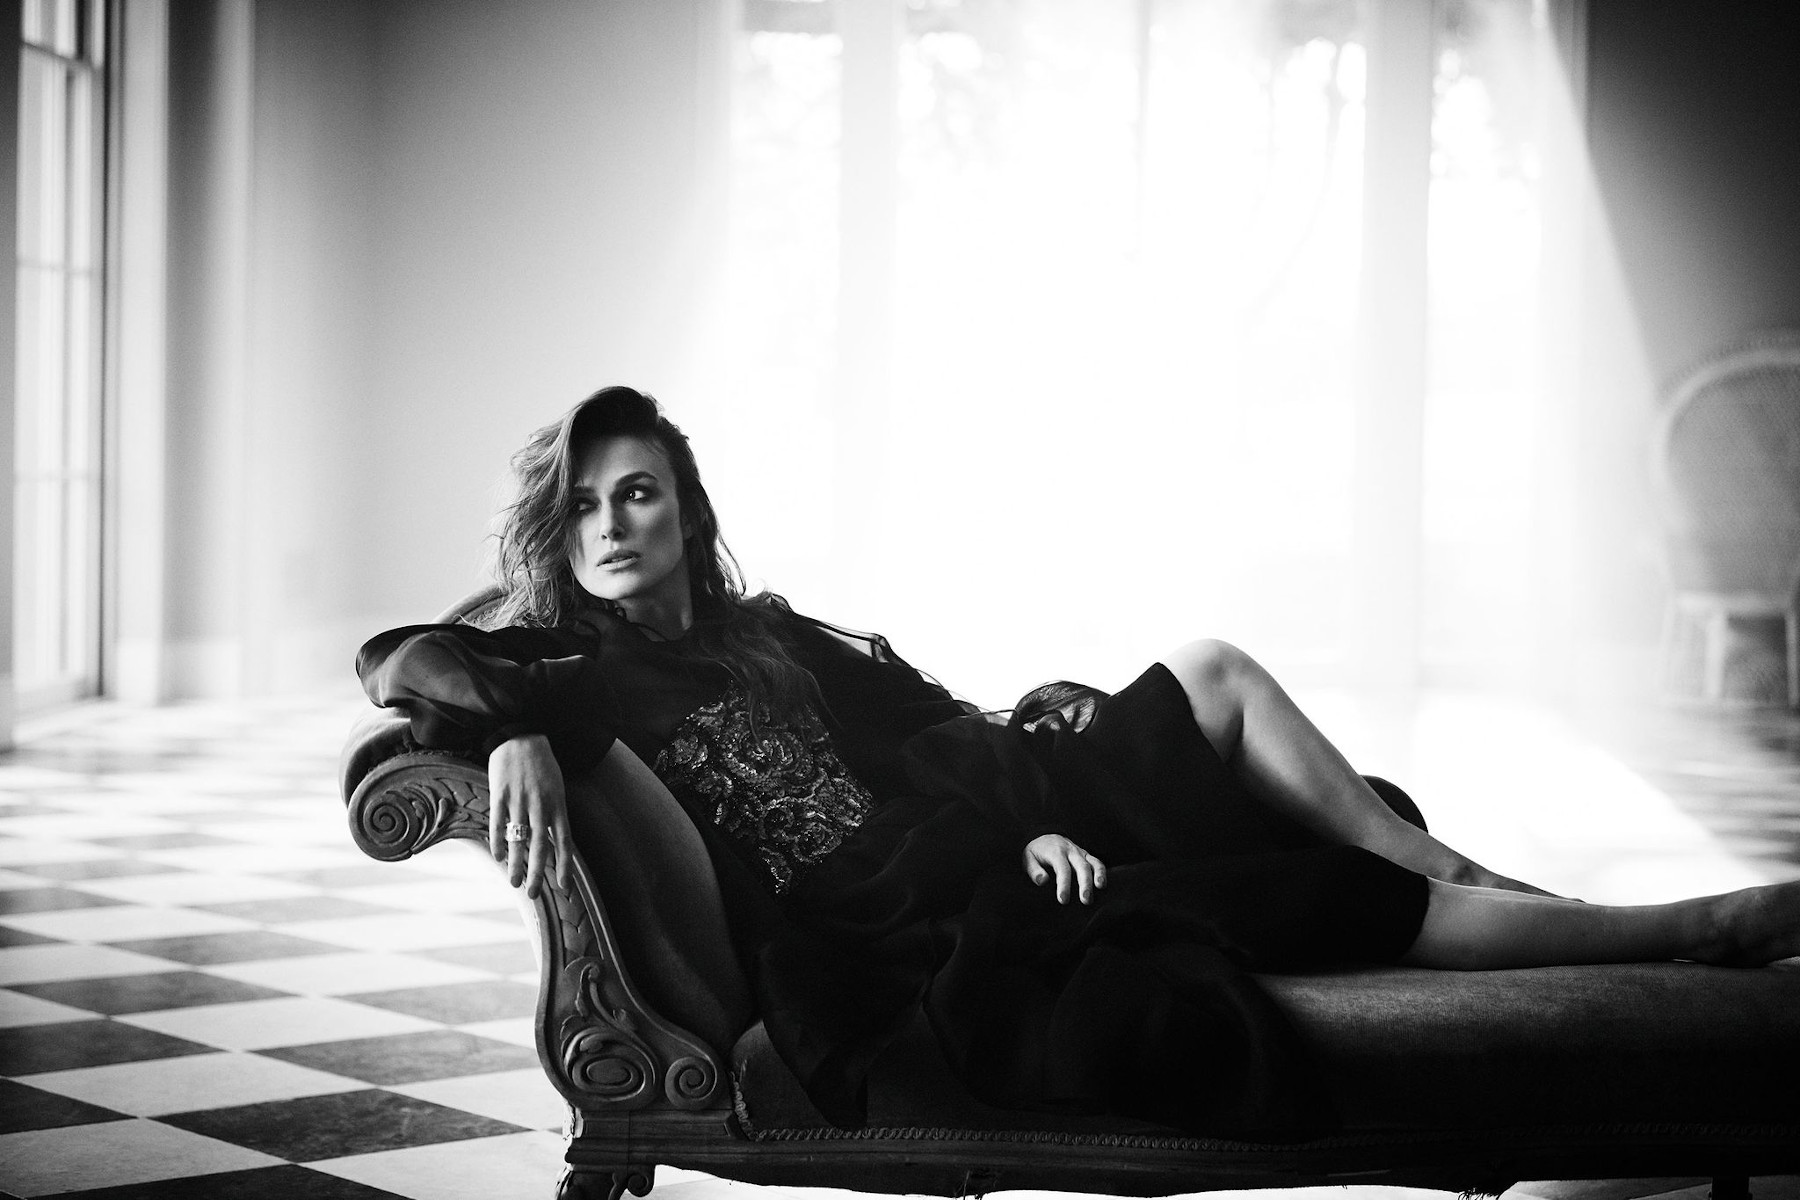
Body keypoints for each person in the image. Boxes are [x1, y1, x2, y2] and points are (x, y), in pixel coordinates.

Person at [358, 385, 1800, 1138]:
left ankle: (1468, 878)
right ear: (560, 532)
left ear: (685, 510)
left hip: (1000, 821)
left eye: (638, 495)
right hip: (917, 920)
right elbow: (393, 660)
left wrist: (1023, 803)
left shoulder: (769, 633)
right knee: (1301, 873)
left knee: (1212, 672)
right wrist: (523, 726)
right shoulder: (577, 670)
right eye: (585, 506)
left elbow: (930, 733)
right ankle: (1690, 928)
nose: (612, 526)